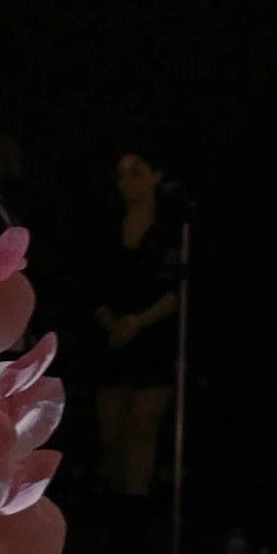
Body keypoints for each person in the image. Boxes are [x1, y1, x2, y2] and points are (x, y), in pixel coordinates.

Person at [93, 146, 182, 502]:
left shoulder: (171, 229)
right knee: (113, 434)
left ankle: (136, 511)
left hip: (153, 336)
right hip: (112, 336)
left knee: (143, 427)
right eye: (121, 174)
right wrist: (113, 323)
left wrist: (139, 322)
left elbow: (178, 289)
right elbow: (92, 283)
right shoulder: (108, 228)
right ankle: (117, 505)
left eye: (137, 172)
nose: (126, 182)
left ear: (156, 176)